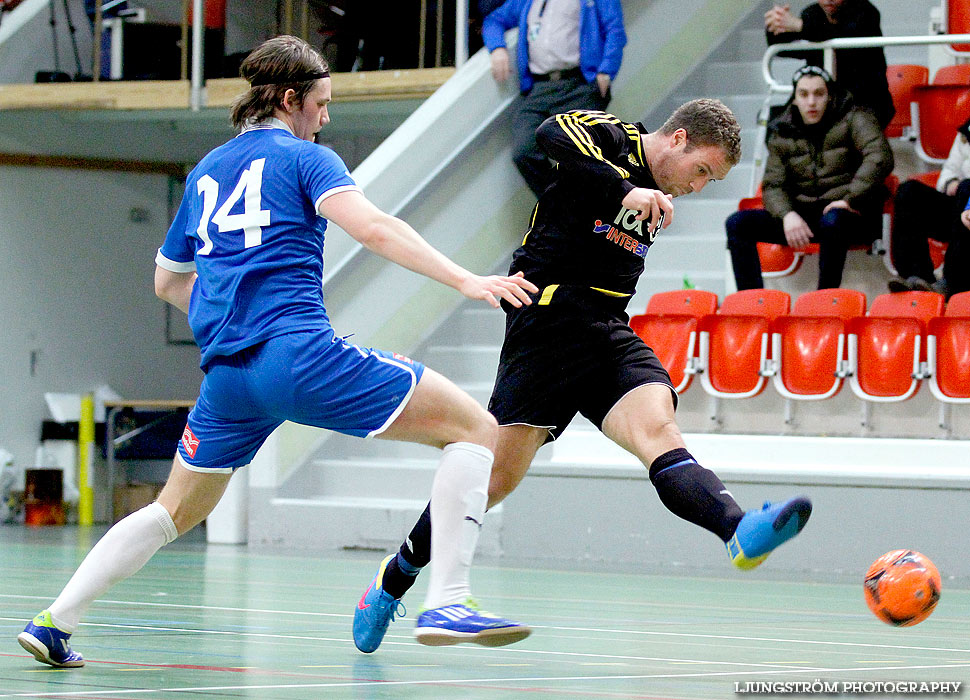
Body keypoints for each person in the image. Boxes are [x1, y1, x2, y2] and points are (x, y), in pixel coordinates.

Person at [16, 35, 539, 669]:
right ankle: (447, 599)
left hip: (230, 378)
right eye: (321, 104)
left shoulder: (207, 168)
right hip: (300, 357)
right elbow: (373, 227)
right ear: (291, 100)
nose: (326, 117)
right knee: (477, 434)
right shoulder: (303, 159)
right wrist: (466, 279)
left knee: (171, 512)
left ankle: (55, 621)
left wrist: (226, 317)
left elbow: (167, 281)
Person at [352, 99, 814, 654]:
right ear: (679, 139)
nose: (697, 186)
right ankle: (390, 582)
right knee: (492, 481)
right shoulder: (613, 137)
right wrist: (625, 191)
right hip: (546, 322)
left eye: (710, 180)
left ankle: (737, 529)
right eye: (701, 171)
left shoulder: (661, 198)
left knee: (659, 433)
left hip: (607, 331)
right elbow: (549, 135)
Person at [725, 65, 893, 291]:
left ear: (830, 95)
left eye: (818, 94)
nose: (811, 102)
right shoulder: (782, 130)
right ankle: (752, 301)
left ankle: (824, 298)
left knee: (833, 221)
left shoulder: (855, 117)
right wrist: (787, 215)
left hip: (852, 213)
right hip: (805, 216)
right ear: (794, 99)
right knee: (738, 224)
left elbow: (879, 156)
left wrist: (850, 199)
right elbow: (773, 184)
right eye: (804, 94)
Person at [481, 0, 626, 197]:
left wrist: (606, 71)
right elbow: (493, 20)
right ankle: (562, 209)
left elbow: (615, 30)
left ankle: (588, 215)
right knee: (524, 152)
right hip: (539, 87)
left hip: (578, 85)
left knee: (581, 157)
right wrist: (497, 48)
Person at [765, 0, 894, 129]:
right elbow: (791, 49)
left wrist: (799, 25)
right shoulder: (812, 13)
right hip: (824, 102)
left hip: (865, 101)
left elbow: (843, 39)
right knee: (775, 123)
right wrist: (776, 26)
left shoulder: (867, 12)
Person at [888, 116, 970, 299]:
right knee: (909, 192)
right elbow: (948, 172)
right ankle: (917, 278)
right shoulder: (968, 130)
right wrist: (951, 184)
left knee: (967, 188)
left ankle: (951, 282)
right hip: (961, 210)